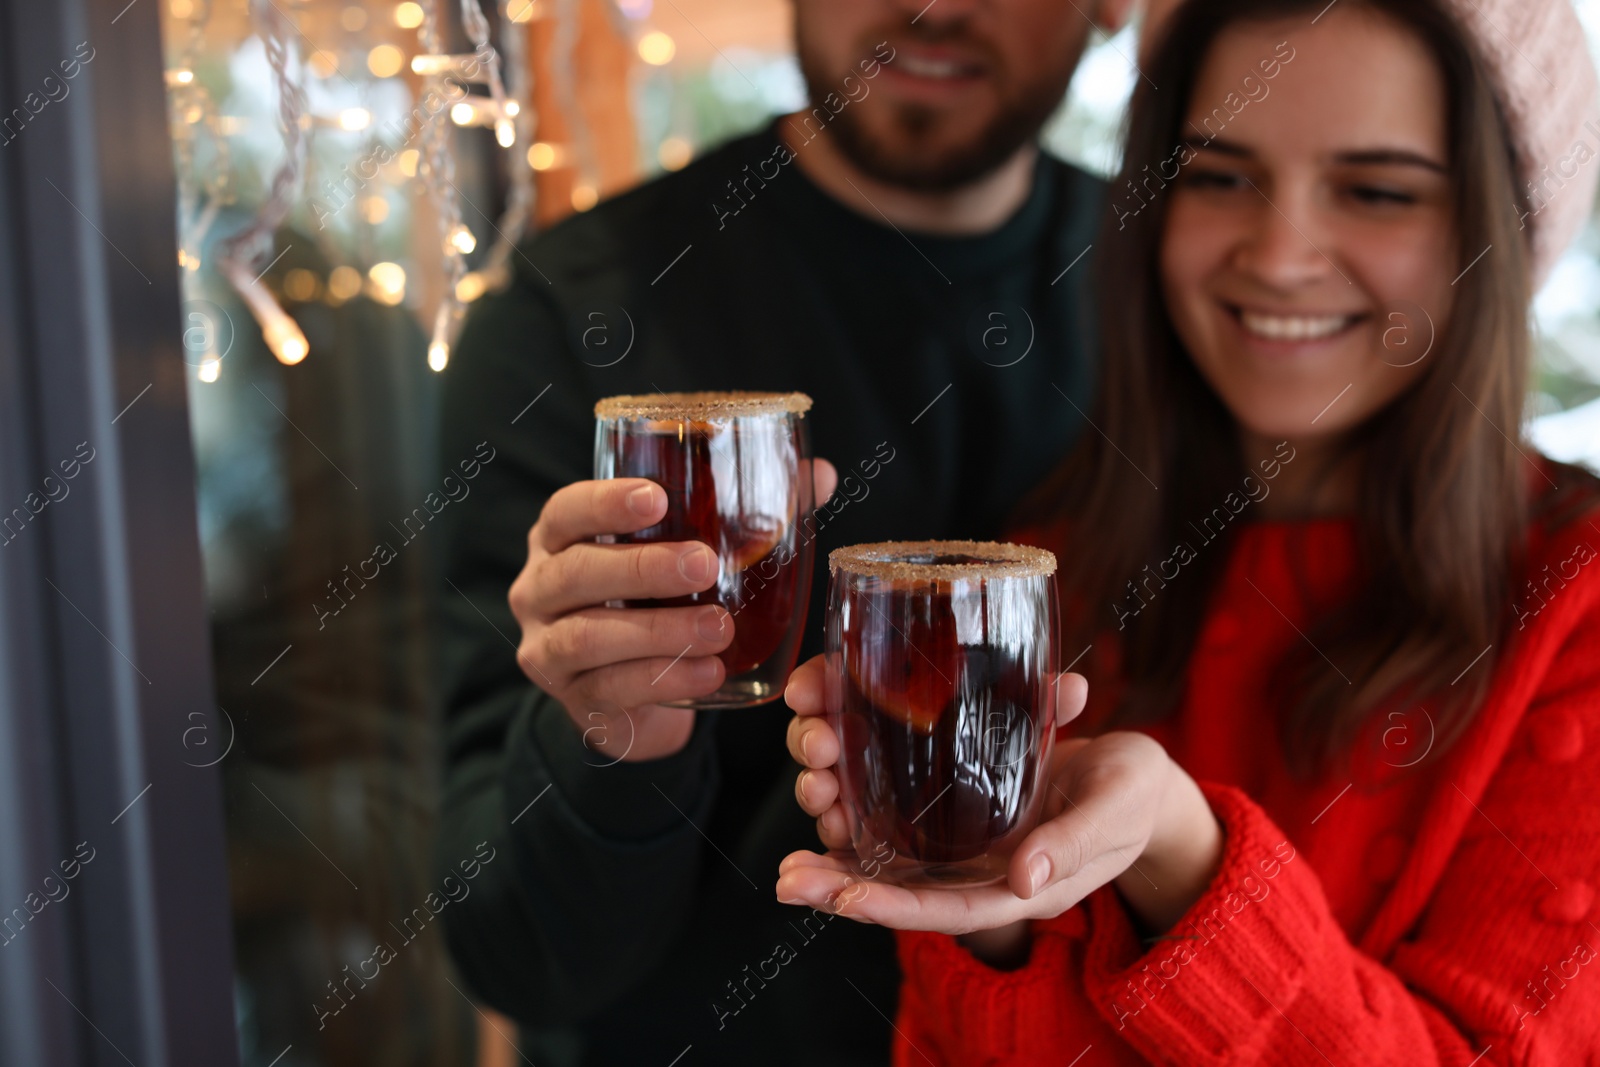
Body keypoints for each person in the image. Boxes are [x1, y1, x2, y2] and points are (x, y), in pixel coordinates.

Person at [779, 0, 1600, 1061]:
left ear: (1499, 231)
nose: (1281, 253)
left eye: (1375, 190)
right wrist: (989, 915)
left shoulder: (1571, 604)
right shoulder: (1053, 564)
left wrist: (1185, 856)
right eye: (1218, 176)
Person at [432, 0, 1135, 1062]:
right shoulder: (573, 320)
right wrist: (614, 733)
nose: (934, 8)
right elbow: (520, 955)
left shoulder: (1185, 297)